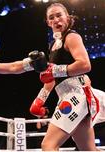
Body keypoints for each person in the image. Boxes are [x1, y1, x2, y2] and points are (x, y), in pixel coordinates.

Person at [29, 2, 99, 151]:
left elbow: (85, 64)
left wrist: (55, 70)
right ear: (48, 23)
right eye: (51, 17)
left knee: (48, 145)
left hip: (75, 94)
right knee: (88, 149)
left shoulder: (71, 36)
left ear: (67, 17)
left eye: (59, 15)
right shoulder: (53, 45)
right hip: (69, 94)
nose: (56, 19)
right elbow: (50, 80)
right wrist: (38, 101)